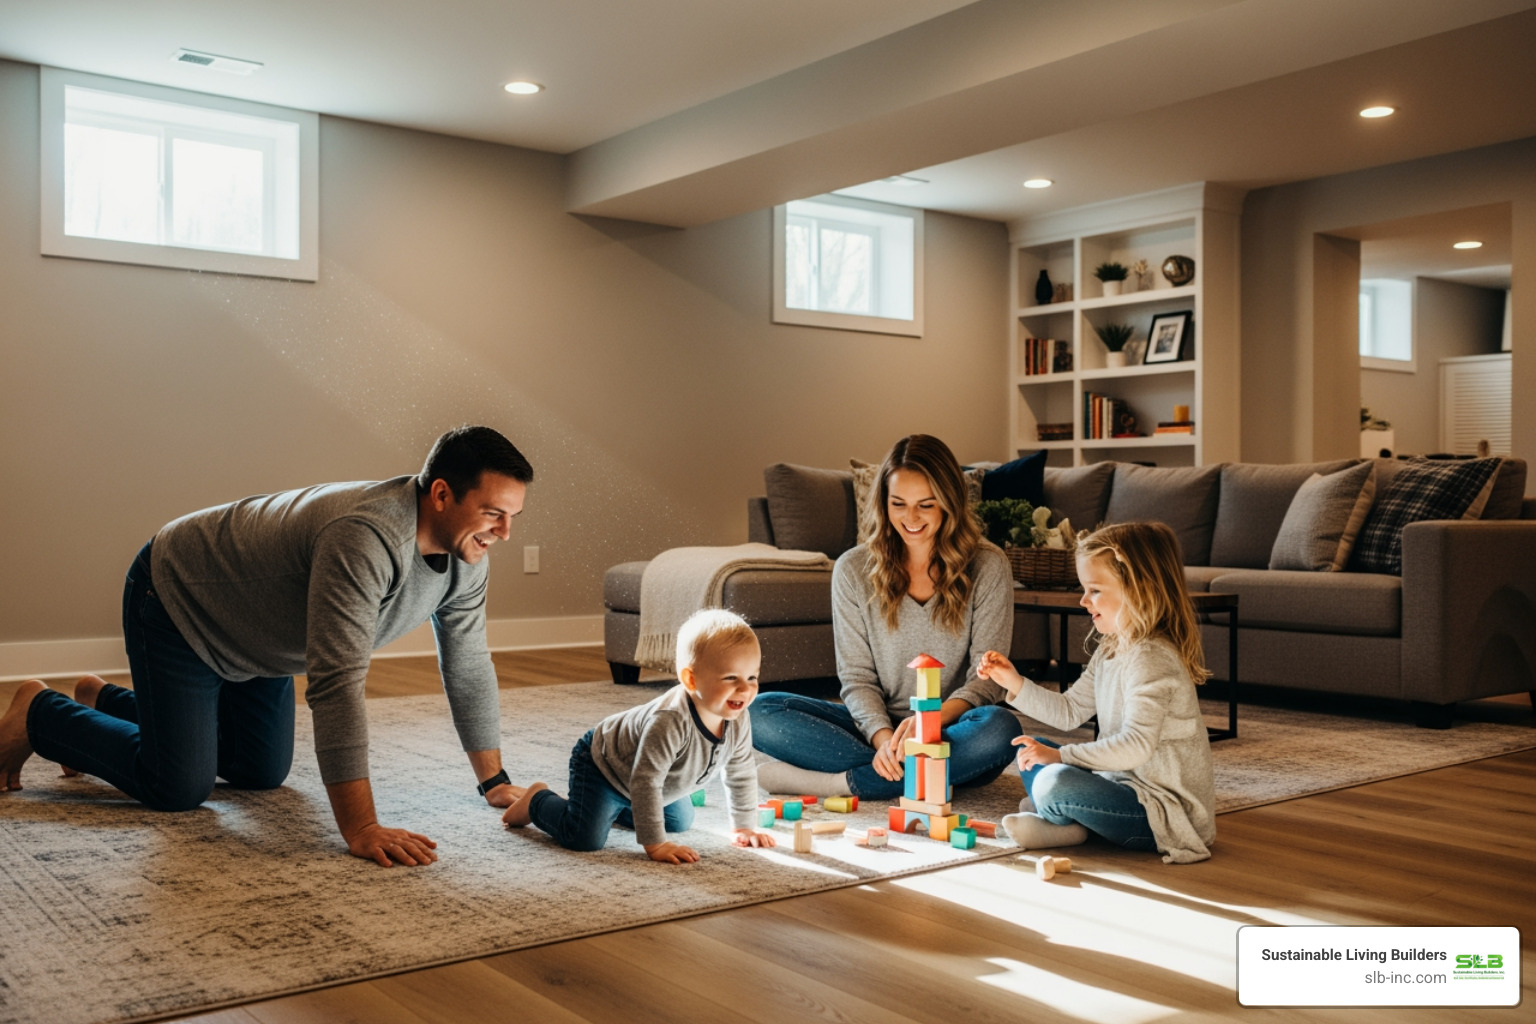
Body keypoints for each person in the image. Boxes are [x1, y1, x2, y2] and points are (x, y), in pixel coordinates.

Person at [0, 425, 533, 868]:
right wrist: (362, 826)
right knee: (177, 787)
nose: (505, 533)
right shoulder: (365, 538)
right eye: (493, 513)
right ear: (441, 494)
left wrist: (495, 781)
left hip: (260, 640)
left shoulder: (467, 560)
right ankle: (42, 715)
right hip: (180, 600)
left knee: (259, 772)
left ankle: (105, 702)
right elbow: (337, 681)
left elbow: (467, 663)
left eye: (513, 517)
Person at [750, 434, 1022, 801]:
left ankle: (843, 783)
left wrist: (927, 723)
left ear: (949, 504)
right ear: (883, 503)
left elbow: (987, 681)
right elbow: (857, 678)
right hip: (873, 727)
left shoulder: (989, 566)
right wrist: (882, 738)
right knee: (759, 711)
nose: (910, 518)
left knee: (999, 729)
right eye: (899, 503)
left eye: (926, 505)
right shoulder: (852, 569)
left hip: (951, 727)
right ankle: (928, 775)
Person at [976, 521, 1217, 863]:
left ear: (1138, 589)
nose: (1083, 599)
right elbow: (1070, 710)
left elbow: (1136, 745)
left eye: (1095, 590)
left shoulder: (1152, 658)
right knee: (1032, 752)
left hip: (1160, 813)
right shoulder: (1111, 649)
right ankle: (1069, 824)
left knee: (1054, 779)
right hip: (1121, 785)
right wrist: (1014, 682)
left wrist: (1062, 757)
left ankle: (1066, 824)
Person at [501, 608, 775, 863]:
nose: (745, 689)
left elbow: (741, 772)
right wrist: (655, 844)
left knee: (679, 822)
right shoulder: (669, 721)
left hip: (649, 779)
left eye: (752, 677)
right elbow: (646, 781)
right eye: (731, 678)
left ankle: (611, 809)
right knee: (584, 838)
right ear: (691, 680)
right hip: (603, 765)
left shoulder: (738, 717)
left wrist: (743, 826)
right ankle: (538, 800)